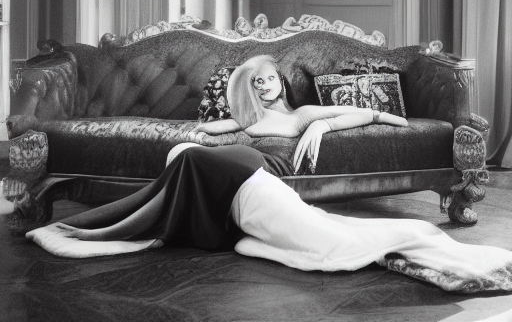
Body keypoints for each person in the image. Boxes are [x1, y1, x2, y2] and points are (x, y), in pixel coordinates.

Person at [10, 55, 512, 298]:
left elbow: (377, 118)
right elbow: (196, 129)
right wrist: (220, 113)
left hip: (261, 183)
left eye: (271, 78)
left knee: (330, 242)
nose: (267, 86)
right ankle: (131, 219)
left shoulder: (299, 116)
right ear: (249, 90)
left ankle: (416, 241)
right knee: (184, 148)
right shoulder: (244, 121)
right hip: (232, 175)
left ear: (282, 82)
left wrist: (325, 127)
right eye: (257, 82)